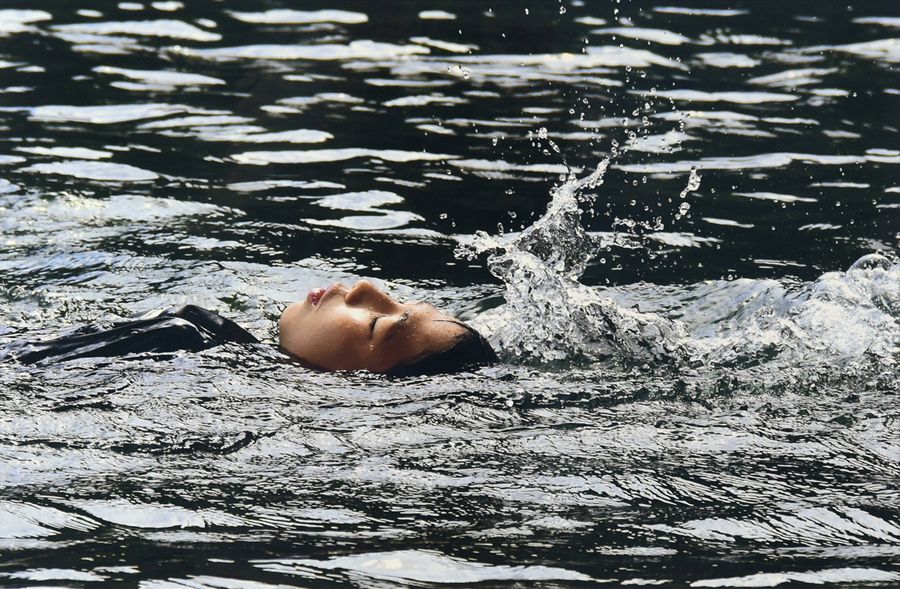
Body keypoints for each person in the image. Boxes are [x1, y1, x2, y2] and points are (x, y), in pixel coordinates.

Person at [0, 280, 498, 377]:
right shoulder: (204, 340)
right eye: (402, 299)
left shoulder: (188, 342)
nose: (368, 288)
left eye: (375, 326)